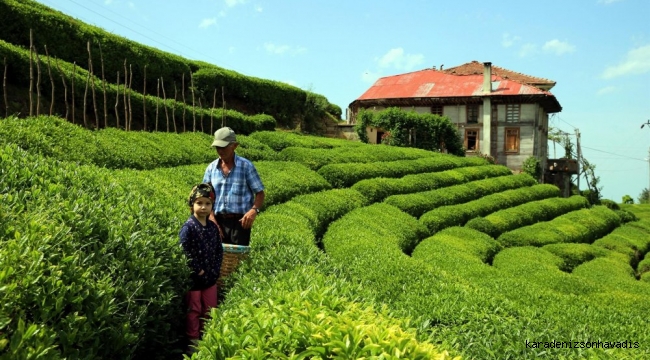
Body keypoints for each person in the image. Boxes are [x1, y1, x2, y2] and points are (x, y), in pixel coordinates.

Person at [203, 127, 265, 246]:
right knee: (217, 260)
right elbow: (205, 197)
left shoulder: (246, 166)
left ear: (234, 146)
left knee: (237, 261)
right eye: (217, 147)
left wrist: (254, 210)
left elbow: (260, 193)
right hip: (217, 220)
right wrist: (211, 218)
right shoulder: (211, 168)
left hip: (240, 223)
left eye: (223, 147)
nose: (220, 151)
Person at [179, 183, 223, 350]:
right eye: (199, 203)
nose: (203, 207)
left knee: (210, 309)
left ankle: (207, 337)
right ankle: (193, 341)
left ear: (212, 206)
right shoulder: (188, 227)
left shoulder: (212, 227)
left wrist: (215, 270)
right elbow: (184, 250)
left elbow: (219, 250)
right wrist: (198, 269)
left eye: (207, 203)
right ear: (192, 205)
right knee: (194, 309)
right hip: (195, 278)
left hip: (210, 278)